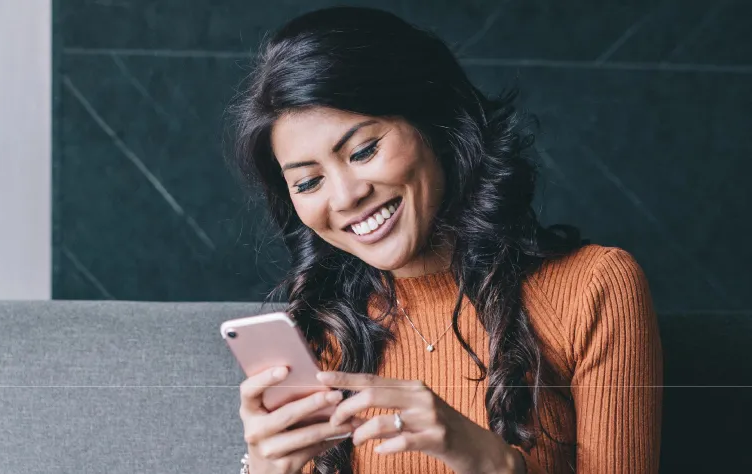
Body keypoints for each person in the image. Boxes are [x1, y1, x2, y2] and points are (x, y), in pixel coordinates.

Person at [227, 6, 663, 474]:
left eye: (364, 150)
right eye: (308, 182)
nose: (346, 196)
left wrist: (492, 462)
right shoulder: (319, 328)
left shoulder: (594, 289)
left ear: (436, 123)